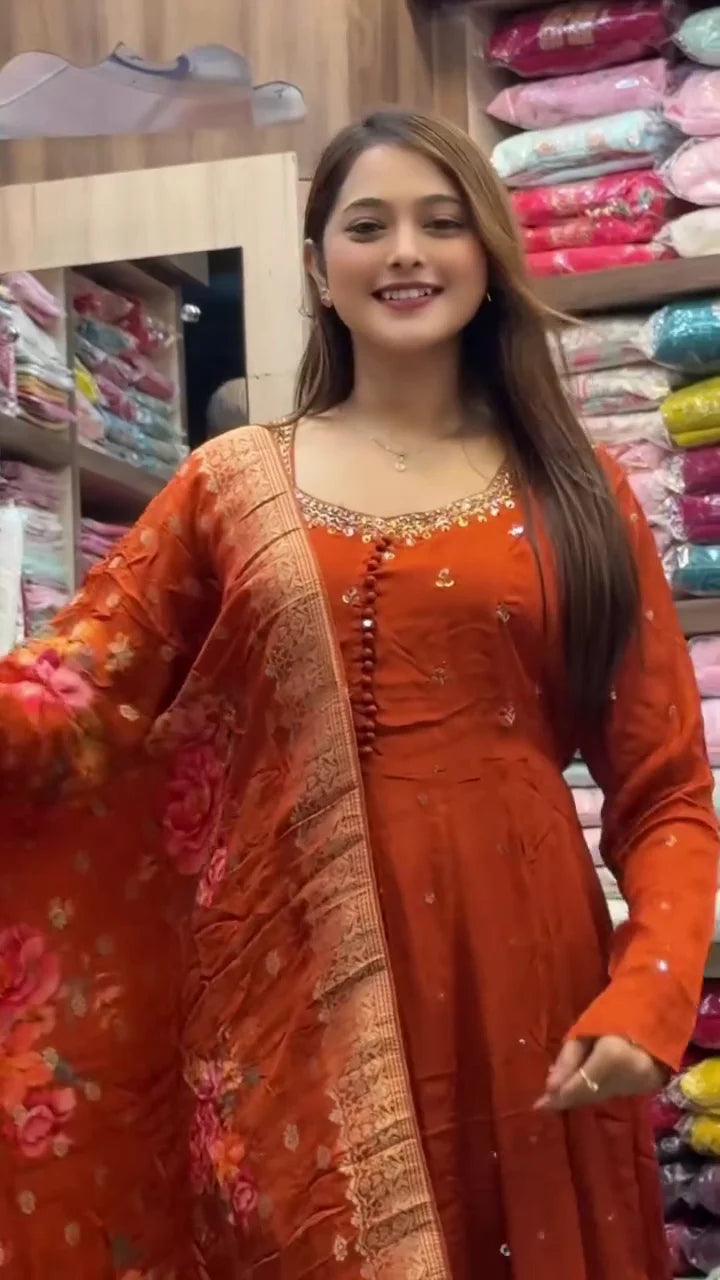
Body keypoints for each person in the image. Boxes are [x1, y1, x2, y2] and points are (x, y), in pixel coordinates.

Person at [0, 109, 717, 1280]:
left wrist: (653, 987)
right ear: (317, 265)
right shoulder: (229, 484)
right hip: (286, 980)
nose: (406, 254)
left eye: (442, 223)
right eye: (368, 226)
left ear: (487, 256)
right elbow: (76, 695)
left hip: (522, 975)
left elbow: (666, 789)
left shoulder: (578, 492)